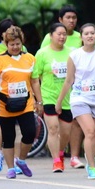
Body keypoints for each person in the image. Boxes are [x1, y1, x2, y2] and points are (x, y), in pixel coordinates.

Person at [57, 23, 95, 180]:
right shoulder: (74, 55)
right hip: (79, 98)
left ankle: (89, 155)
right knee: (90, 131)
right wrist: (59, 102)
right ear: (81, 37)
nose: (90, 36)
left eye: (92, 33)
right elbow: (68, 80)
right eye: (86, 33)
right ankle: (92, 167)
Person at [0, 25, 43, 179]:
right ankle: (10, 168)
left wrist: (39, 101)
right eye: (12, 44)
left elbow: (34, 81)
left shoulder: (30, 58)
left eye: (18, 44)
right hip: (5, 103)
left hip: (26, 103)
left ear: (22, 43)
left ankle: (21, 160)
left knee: (29, 133)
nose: (15, 47)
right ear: (6, 44)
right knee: (8, 137)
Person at [34, 23, 78, 172]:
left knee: (65, 132)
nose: (62, 37)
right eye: (59, 34)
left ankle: (60, 152)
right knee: (53, 128)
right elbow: (35, 78)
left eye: (64, 34)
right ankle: (56, 161)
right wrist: (39, 100)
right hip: (49, 96)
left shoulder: (72, 53)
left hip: (67, 98)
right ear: (51, 36)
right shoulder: (42, 53)